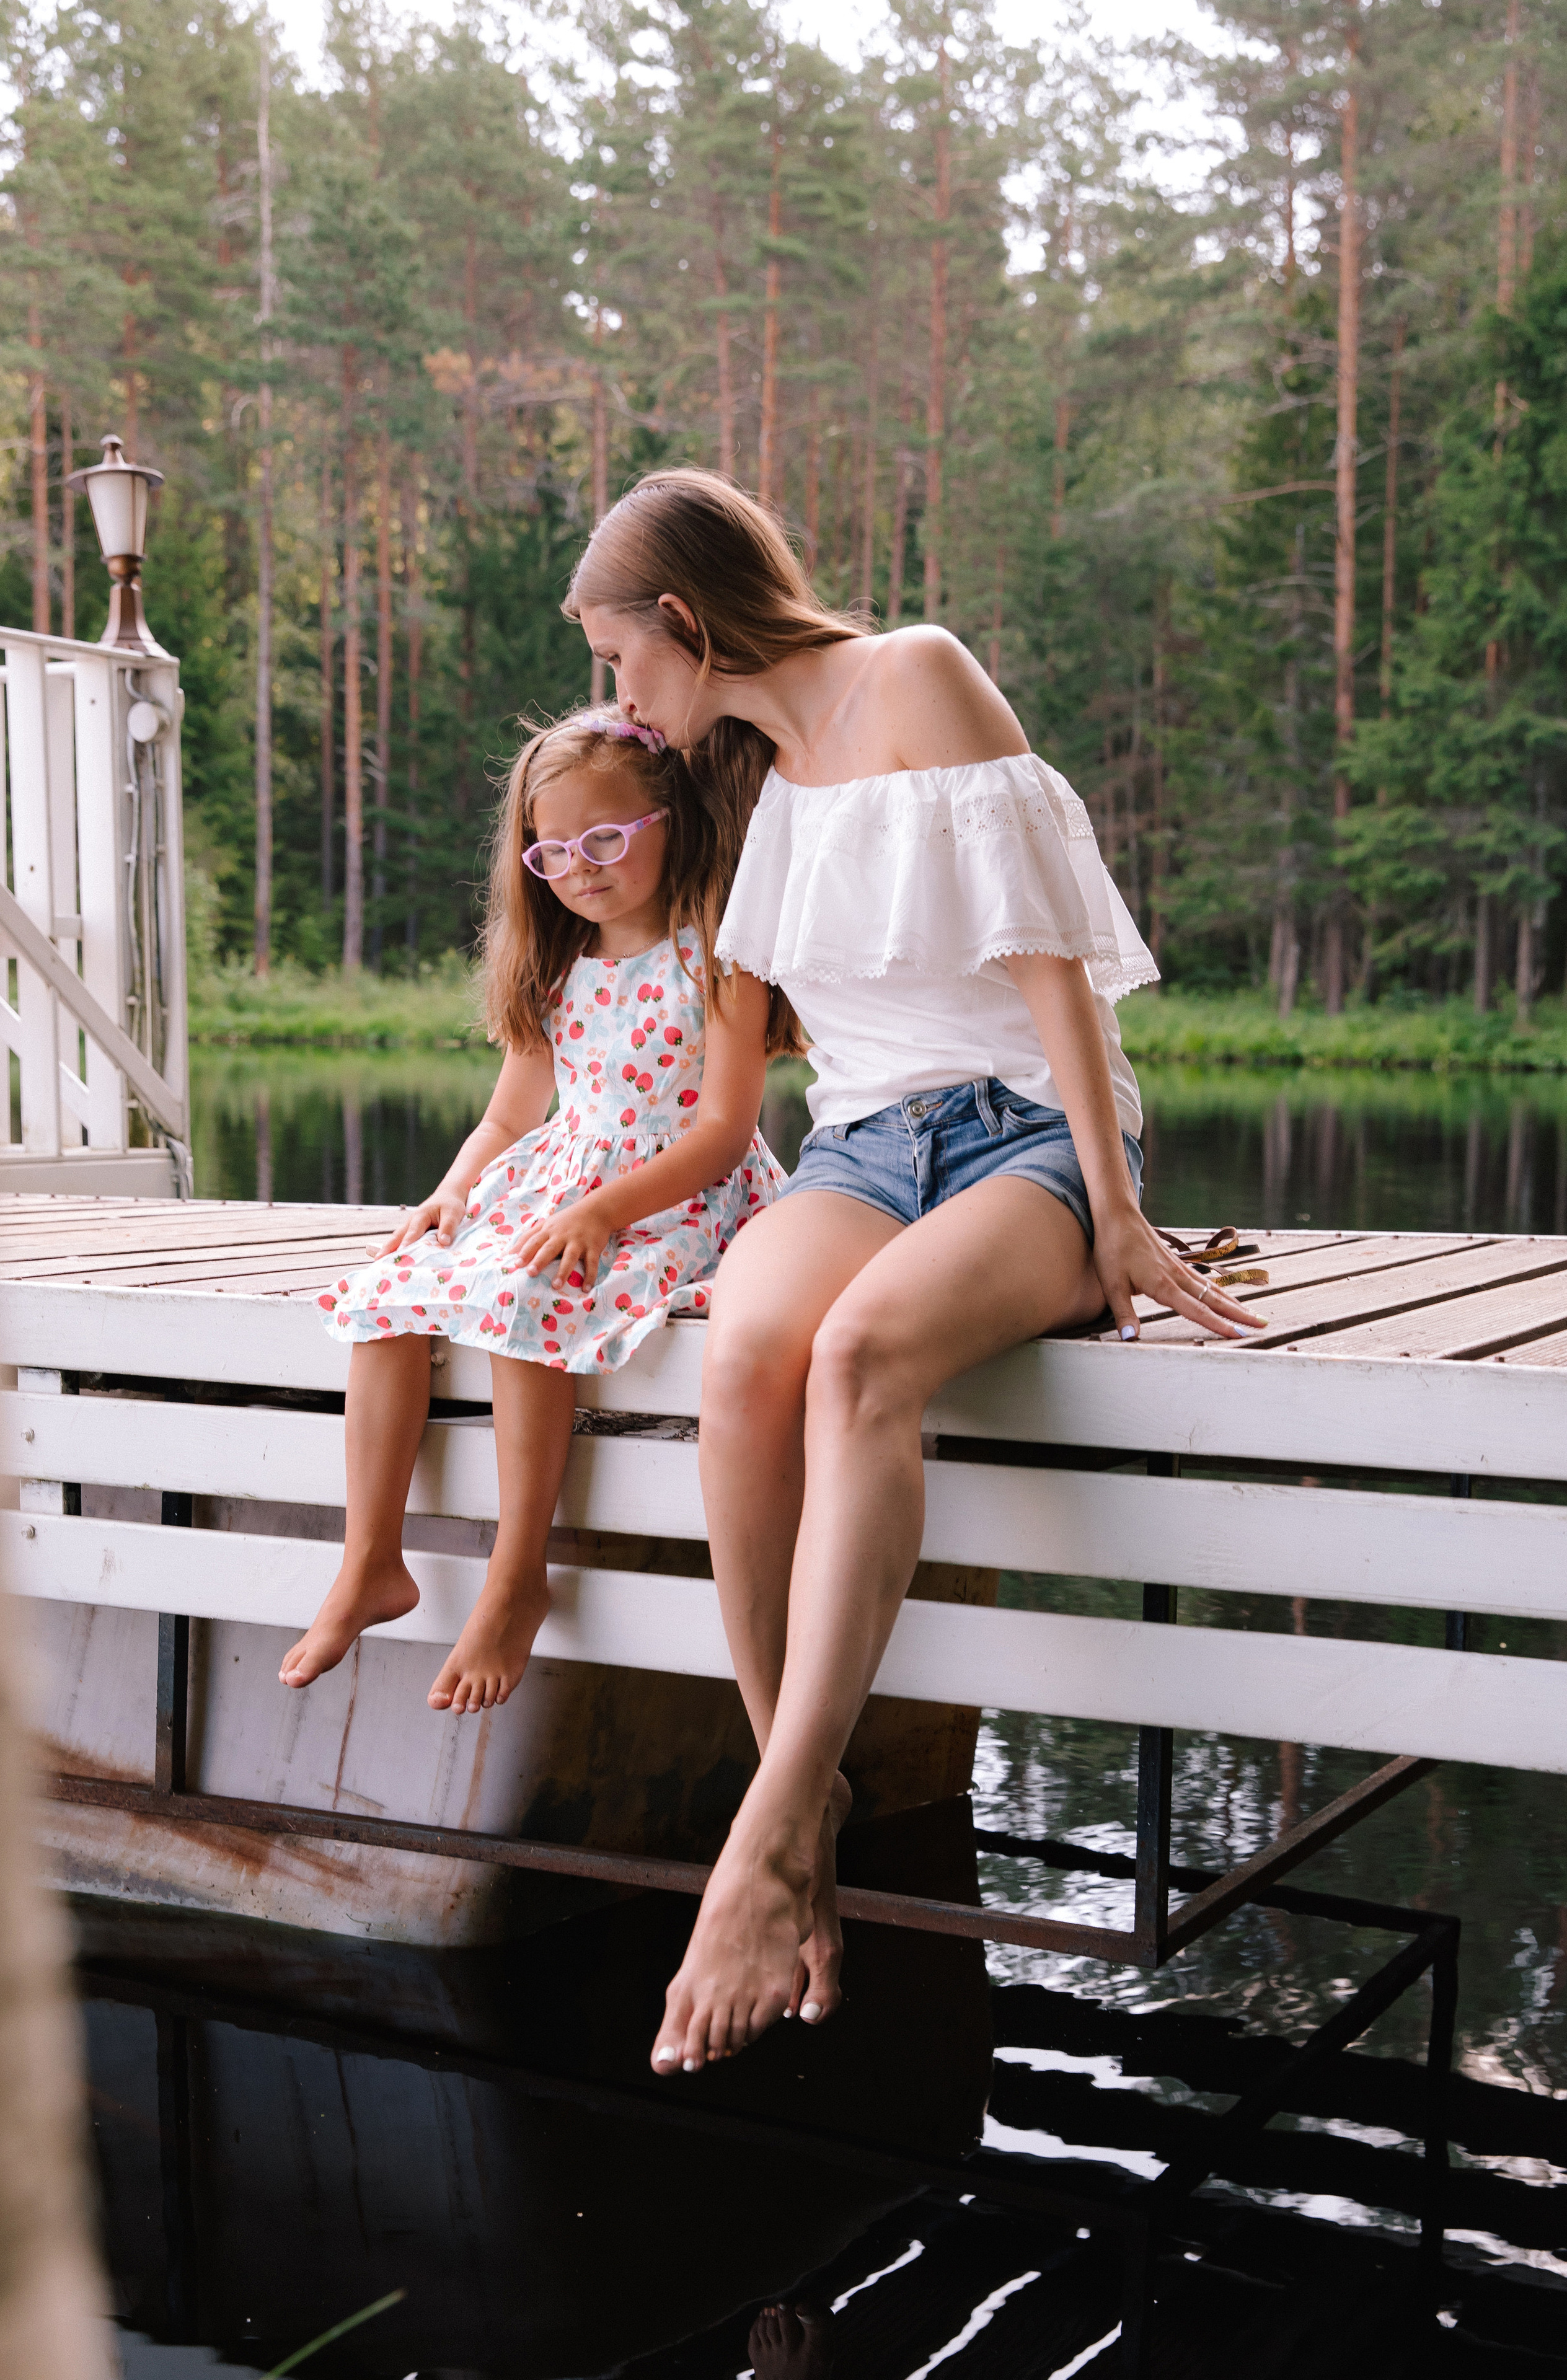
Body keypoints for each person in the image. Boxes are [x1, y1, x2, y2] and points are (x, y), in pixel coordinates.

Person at [568, 469, 1261, 2075]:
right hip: (865, 1148)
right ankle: (799, 1799)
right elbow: (606, 892)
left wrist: (1114, 1209)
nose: (616, 691)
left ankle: (756, 1852)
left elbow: (1053, 971)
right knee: (746, 1356)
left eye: (619, 656)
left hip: (1021, 1133)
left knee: (862, 1356)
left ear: (684, 620)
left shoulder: (919, 674)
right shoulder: (749, 775)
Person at [280, 705, 788, 1714]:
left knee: (529, 1295)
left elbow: (725, 1130)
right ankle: (370, 1561)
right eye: (554, 851)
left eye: (605, 839)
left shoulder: (719, 958)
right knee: (389, 1305)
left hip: (680, 1194)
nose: (582, 868)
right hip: (564, 1187)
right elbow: (511, 1116)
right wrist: (452, 1190)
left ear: (668, 822)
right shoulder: (555, 967)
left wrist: (604, 1211)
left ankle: (518, 1575)